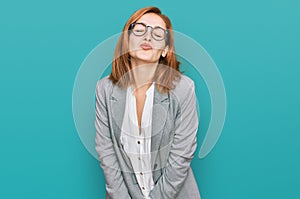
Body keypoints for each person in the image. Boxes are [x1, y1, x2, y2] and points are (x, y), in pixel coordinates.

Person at [95, 6, 201, 199]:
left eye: (158, 33)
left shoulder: (184, 89)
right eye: (139, 29)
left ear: (165, 50)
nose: (148, 37)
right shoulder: (104, 89)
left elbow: (181, 157)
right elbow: (106, 154)